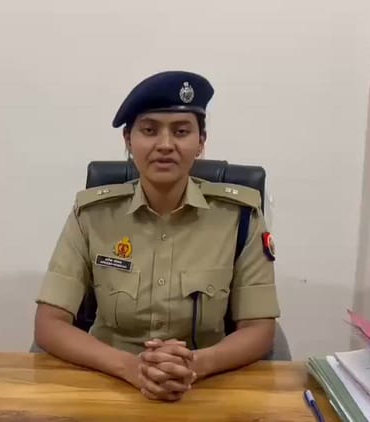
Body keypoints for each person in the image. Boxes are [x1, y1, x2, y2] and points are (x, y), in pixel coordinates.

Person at [33, 70, 281, 402]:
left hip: (205, 387)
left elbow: (259, 329)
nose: (165, 145)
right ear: (128, 140)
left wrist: (193, 365)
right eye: (149, 130)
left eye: (181, 131)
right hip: (108, 382)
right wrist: (130, 368)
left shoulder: (240, 218)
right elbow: (50, 323)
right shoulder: (91, 216)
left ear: (201, 143)